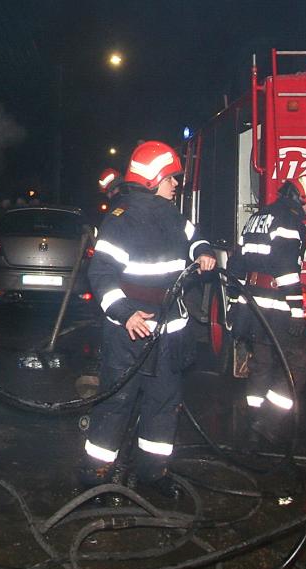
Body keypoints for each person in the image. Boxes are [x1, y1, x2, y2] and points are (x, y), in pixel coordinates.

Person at [82, 140, 216, 498]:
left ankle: (152, 473)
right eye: (172, 178)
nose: (177, 185)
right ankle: (96, 477)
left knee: (163, 404)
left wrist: (202, 252)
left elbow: (194, 238)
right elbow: (101, 275)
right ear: (154, 178)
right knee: (116, 404)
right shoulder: (121, 220)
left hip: (170, 332)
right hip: (130, 334)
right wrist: (125, 312)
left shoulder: (172, 214)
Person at [227, 174, 306, 444]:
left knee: (261, 364)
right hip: (277, 307)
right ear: (300, 199)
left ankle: (253, 421)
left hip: (253, 306)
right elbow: (286, 271)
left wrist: (235, 303)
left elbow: (236, 265)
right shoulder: (289, 222)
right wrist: (296, 310)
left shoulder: (257, 218)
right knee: (300, 359)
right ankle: (269, 421)